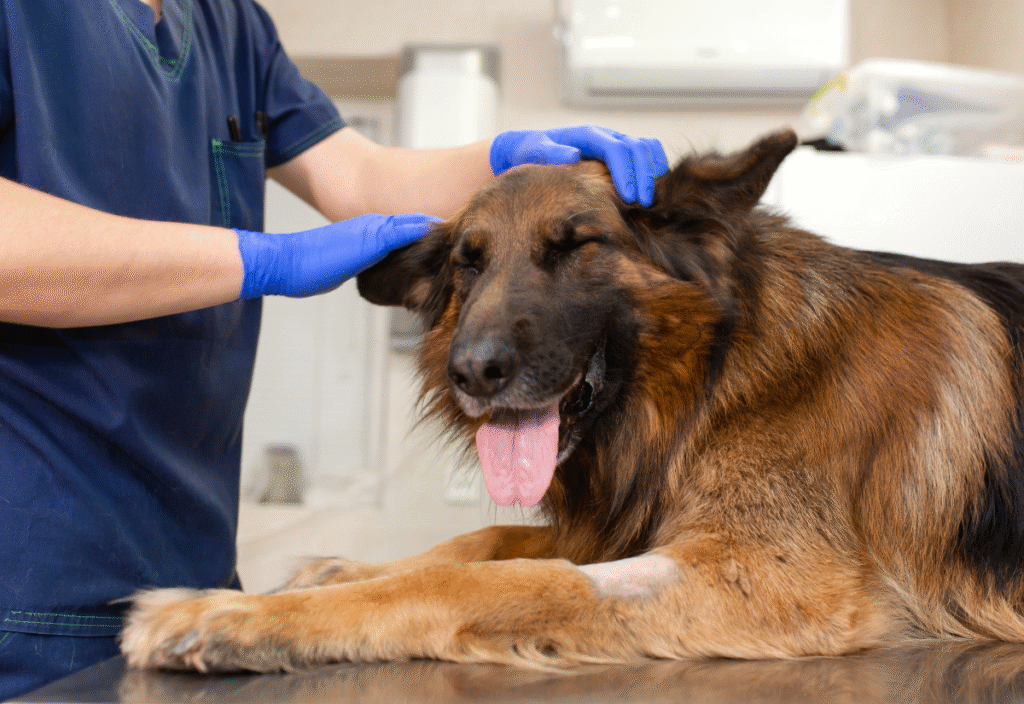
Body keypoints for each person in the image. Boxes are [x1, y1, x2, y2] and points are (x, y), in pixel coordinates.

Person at [0, 0, 668, 697]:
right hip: (29, 570)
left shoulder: (230, 24)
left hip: (189, 559)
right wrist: (261, 260)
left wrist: (503, 159)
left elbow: (358, 177)